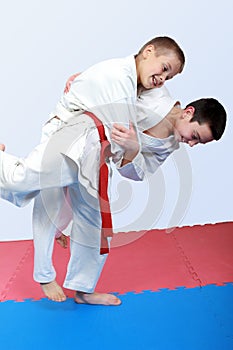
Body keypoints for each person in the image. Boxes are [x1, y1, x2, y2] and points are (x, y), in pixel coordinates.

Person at [0, 36, 186, 303]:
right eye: (165, 68)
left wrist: (131, 149)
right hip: (70, 132)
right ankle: (44, 274)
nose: (163, 79)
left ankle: (84, 289)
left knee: (92, 222)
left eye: (169, 77)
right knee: (30, 186)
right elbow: (121, 129)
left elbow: (136, 162)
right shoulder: (116, 75)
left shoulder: (150, 93)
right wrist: (130, 148)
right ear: (148, 51)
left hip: (95, 150)